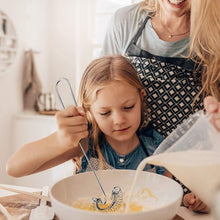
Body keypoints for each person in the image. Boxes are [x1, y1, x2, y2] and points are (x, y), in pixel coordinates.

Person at [100, 0, 220, 213]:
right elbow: (100, 93)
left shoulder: (215, 29)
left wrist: (209, 189)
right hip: (134, 181)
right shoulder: (126, 22)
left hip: (193, 189)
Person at [6, 55, 166, 180]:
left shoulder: (158, 148)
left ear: (141, 97)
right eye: (105, 113)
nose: (119, 120)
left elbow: (169, 196)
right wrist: (60, 141)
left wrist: (187, 199)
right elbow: (13, 168)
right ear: (88, 111)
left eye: (128, 107)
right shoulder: (85, 144)